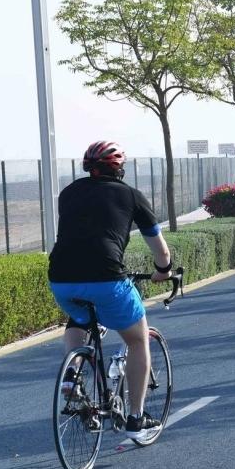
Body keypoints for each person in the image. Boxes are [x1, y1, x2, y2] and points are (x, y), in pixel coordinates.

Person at [48, 141, 172, 440]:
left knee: (79, 318)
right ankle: (136, 418)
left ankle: (72, 375)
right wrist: (164, 271)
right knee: (138, 340)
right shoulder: (131, 195)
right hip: (107, 278)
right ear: (119, 169)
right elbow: (161, 251)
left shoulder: (69, 192)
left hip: (61, 277)